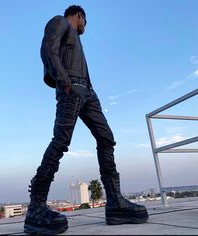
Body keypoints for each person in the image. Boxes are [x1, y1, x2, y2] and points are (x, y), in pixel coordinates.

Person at [24, 5, 149, 235]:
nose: (85, 27)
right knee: (60, 141)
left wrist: (82, 88)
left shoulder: (76, 41)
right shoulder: (60, 22)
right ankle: (36, 207)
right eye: (85, 22)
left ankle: (115, 204)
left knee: (106, 138)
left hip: (89, 93)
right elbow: (47, 50)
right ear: (79, 15)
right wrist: (66, 83)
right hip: (71, 88)